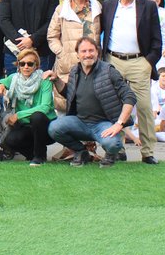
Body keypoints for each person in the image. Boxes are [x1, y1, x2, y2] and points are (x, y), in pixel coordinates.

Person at [100, 0, 162, 164]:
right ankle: (117, 148)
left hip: (138, 62)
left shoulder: (148, 6)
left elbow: (157, 38)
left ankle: (148, 151)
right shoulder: (108, 5)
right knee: (114, 106)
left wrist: (148, 62)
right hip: (113, 60)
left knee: (143, 106)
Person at [49, 37, 136, 167]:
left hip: (103, 124)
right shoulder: (75, 71)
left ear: (97, 53)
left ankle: (110, 155)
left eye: (91, 50)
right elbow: (69, 93)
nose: (87, 54)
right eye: (83, 51)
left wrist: (119, 123)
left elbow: (130, 96)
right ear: (78, 54)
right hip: (80, 122)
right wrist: (56, 79)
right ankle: (81, 152)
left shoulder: (109, 71)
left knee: (114, 144)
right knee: (54, 128)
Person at [47, 0, 101, 109]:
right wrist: (62, 53)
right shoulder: (61, 9)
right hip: (67, 64)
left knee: (90, 105)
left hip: (92, 63)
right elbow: (52, 36)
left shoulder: (97, 8)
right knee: (65, 105)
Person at [0, 47, 55, 166]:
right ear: (18, 66)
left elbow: (45, 107)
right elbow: (2, 81)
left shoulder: (44, 79)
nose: (26, 66)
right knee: (10, 140)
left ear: (36, 65)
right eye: (22, 63)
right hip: (26, 125)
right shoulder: (14, 78)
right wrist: (0, 85)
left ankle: (39, 156)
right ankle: (33, 154)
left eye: (30, 64)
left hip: (46, 126)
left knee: (37, 116)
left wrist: (19, 115)